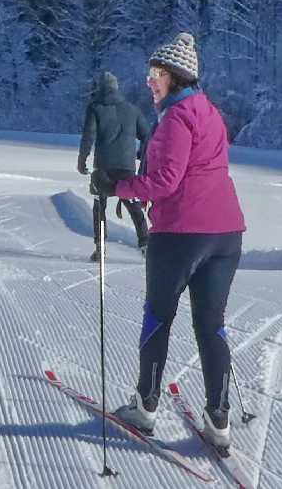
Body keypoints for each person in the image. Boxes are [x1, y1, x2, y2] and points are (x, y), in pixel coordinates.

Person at [99, 33, 247, 451]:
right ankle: (219, 418)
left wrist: (117, 186)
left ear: (176, 77)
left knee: (158, 317)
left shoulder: (176, 118)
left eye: (156, 73)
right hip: (226, 234)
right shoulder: (210, 113)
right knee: (211, 324)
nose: (149, 81)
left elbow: (165, 181)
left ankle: (145, 407)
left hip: (182, 234)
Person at [78, 70, 153, 261]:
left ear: (100, 89)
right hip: (126, 168)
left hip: (102, 168)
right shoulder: (132, 110)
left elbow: (88, 136)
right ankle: (145, 244)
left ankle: (100, 248)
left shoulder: (95, 108)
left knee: (99, 205)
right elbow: (148, 137)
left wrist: (82, 159)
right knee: (134, 206)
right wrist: (140, 155)